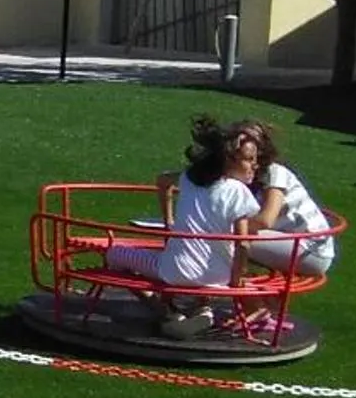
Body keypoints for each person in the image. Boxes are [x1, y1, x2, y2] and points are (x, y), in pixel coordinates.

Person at [103, 115, 261, 338]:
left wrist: (168, 221)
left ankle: (165, 311)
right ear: (229, 161)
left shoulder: (188, 178)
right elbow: (242, 243)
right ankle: (203, 310)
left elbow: (162, 180)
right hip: (219, 277)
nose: (255, 165)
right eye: (249, 159)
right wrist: (236, 280)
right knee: (204, 256)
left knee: (114, 253)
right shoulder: (239, 192)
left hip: (174, 272)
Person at [229, 119, 338, 277]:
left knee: (228, 238)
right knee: (230, 236)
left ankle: (215, 280)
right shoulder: (245, 176)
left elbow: (265, 220)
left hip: (311, 250)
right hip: (292, 242)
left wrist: (223, 226)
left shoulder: (275, 173)